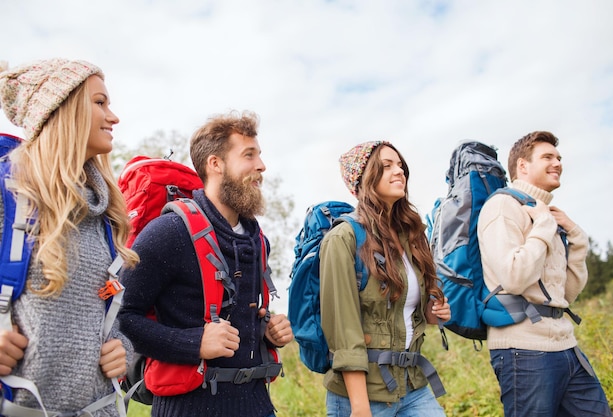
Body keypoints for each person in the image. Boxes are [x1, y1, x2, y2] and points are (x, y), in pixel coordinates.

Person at [118, 110, 293, 417]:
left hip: (258, 406)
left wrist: (266, 330)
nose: (261, 166)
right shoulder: (167, 233)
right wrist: (193, 342)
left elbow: (237, 317)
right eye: (249, 155)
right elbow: (120, 318)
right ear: (216, 164)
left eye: (259, 155)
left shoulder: (257, 239)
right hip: (188, 408)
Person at [0, 58, 139, 415]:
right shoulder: (9, 197)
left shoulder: (105, 214)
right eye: (99, 102)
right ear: (60, 109)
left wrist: (122, 347)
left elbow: (113, 314)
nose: (114, 117)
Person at [477, 131, 613, 417]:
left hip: (566, 345)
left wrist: (577, 236)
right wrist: (543, 226)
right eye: (547, 157)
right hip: (523, 351)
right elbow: (513, 277)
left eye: (559, 157)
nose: (558, 163)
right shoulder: (502, 206)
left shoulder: (545, 214)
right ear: (523, 166)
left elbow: (566, 294)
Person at [320, 141, 451, 417]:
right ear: (363, 179)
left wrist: (433, 311)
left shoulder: (412, 235)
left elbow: (411, 312)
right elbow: (345, 330)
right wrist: (360, 407)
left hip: (412, 385)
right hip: (362, 394)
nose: (399, 171)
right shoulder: (343, 239)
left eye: (400, 165)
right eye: (387, 165)